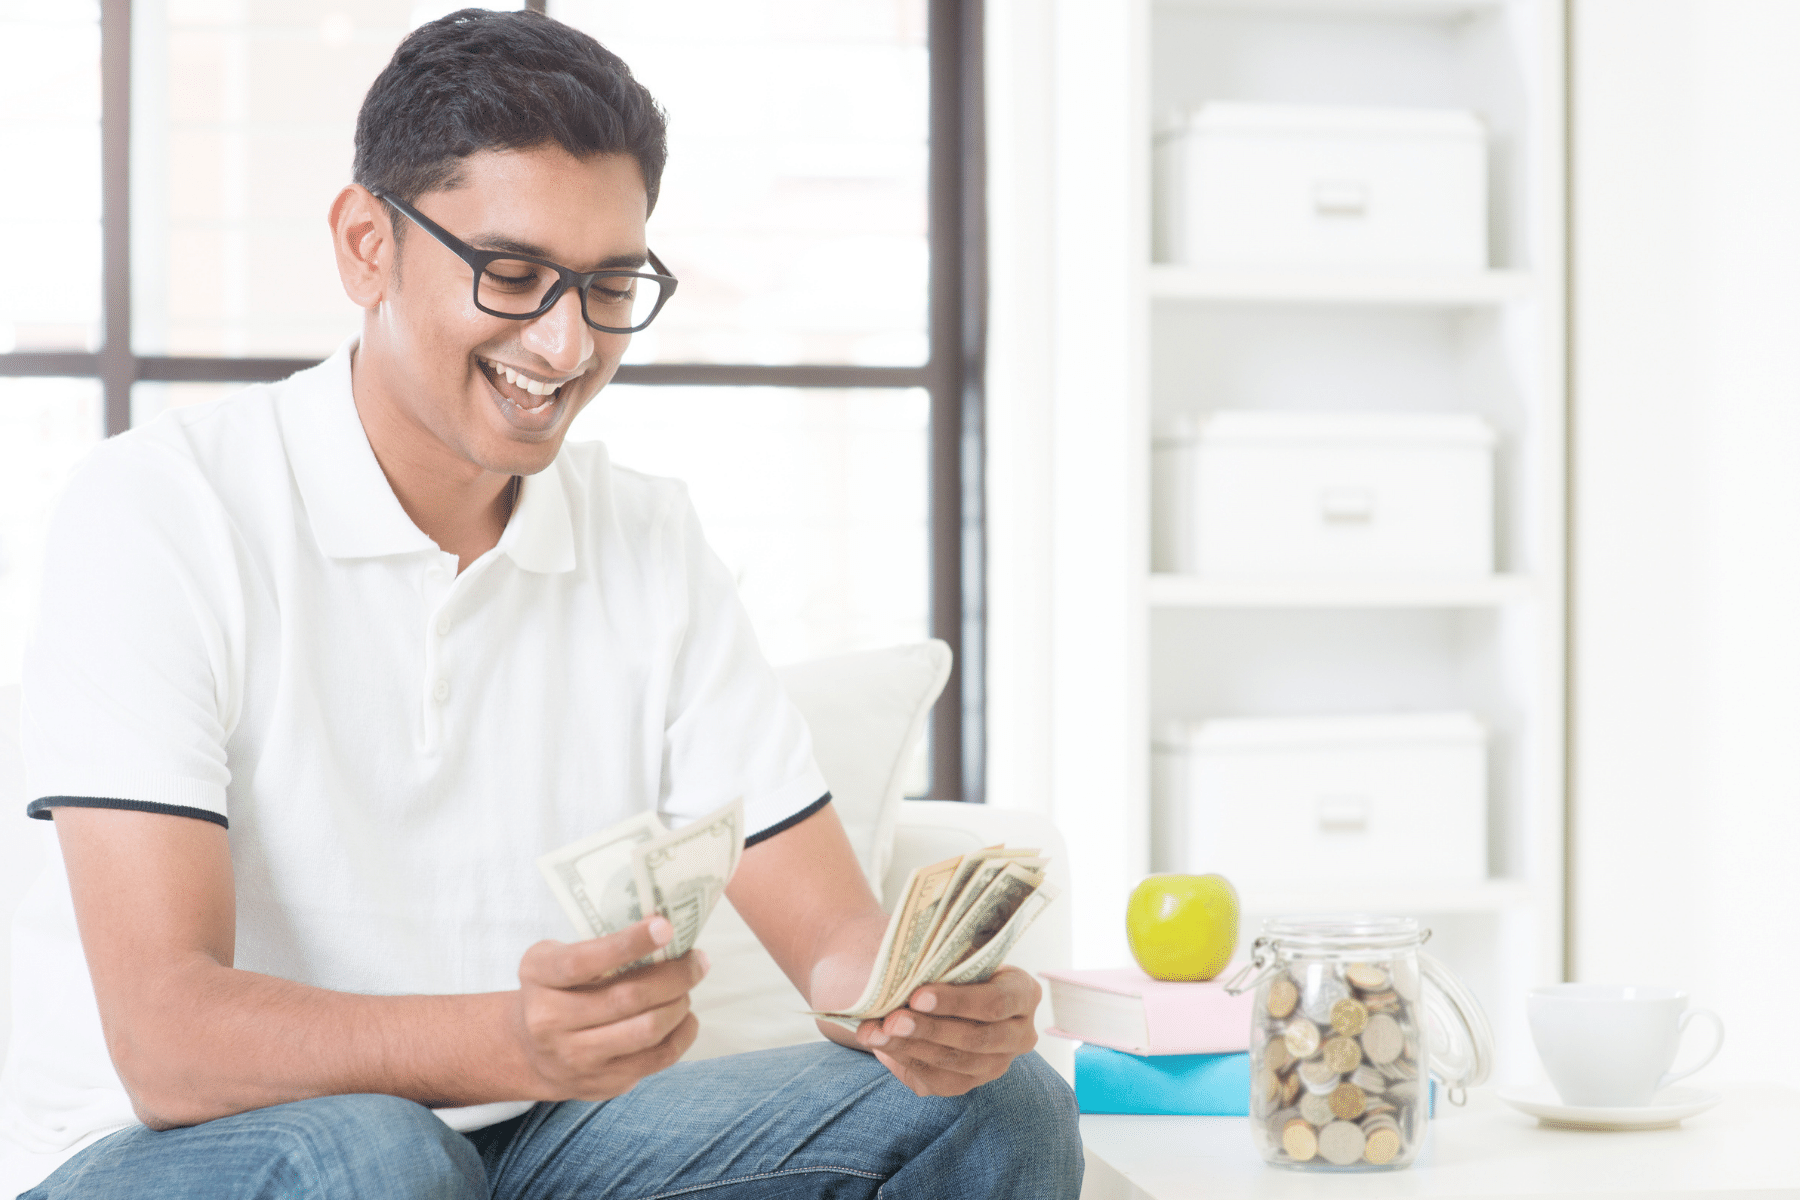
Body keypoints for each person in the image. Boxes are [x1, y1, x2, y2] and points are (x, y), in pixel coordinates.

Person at [0, 9, 1081, 1198]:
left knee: (992, 1109)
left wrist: (919, 1006)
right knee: (380, 1153)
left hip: (531, 1143)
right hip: (183, 1151)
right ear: (367, 244)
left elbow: (828, 939)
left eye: (612, 285)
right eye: (512, 275)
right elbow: (168, 1040)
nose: (567, 345)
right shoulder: (163, 512)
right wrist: (509, 1042)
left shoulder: (649, 539)